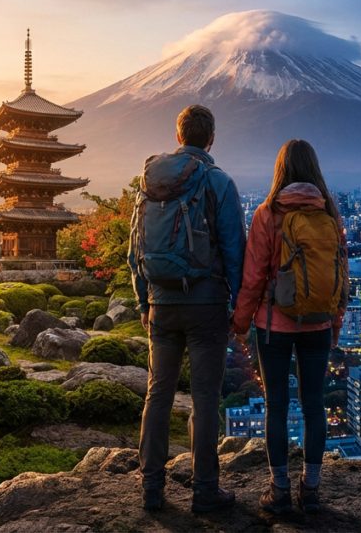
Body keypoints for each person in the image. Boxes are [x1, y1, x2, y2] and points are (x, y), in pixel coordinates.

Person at [128, 104, 246, 514]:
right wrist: (239, 306)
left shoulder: (150, 180)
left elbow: (134, 250)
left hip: (161, 303)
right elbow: (235, 251)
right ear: (210, 139)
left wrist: (144, 301)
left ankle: (151, 488)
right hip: (207, 303)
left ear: (178, 136)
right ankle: (205, 490)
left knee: (158, 393)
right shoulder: (218, 182)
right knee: (205, 397)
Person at [232, 139, 347, 515]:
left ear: (279, 169)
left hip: (274, 326)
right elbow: (340, 277)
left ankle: (279, 489)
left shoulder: (268, 213)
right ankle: (310, 489)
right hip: (317, 324)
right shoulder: (329, 212)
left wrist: (240, 322)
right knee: (314, 405)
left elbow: (252, 277)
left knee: (276, 406)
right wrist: (334, 323)